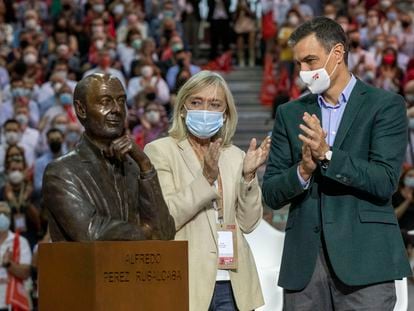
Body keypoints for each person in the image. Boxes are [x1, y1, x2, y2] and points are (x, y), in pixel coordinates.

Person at [262, 17, 411, 310]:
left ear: (338, 54)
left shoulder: (385, 106)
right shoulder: (290, 113)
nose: (303, 71)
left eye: (310, 61)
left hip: (365, 263)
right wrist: (303, 171)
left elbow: (384, 181)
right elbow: (271, 192)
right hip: (304, 267)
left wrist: (327, 155)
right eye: (299, 64)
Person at [144, 70, 269, 311]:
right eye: (196, 102)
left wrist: (249, 177)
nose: (205, 110)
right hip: (186, 280)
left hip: (234, 282)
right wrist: (207, 178)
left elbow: (249, 223)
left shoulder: (235, 155)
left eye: (214, 104)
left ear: (225, 114)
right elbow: (166, 217)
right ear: (182, 108)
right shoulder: (160, 151)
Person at [42, 73, 175, 242]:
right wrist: (147, 231)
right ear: (82, 109)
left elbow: (164, 233)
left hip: (137, 267)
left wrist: (145, 165)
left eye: (121, 101)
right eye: (105, 101)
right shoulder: (62, 171)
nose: (117, 109)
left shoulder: (135, 166)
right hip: (88, 268)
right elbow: (90, 232)